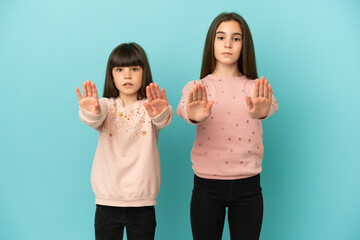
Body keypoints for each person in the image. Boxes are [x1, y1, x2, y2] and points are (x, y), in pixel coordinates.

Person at [177, 12, 278, 240]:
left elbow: (271, 104)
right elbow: (184, 108)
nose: (228, 44)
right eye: (221, 37)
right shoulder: (197, 86)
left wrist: (264, 111)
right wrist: (193, 114)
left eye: (236, 38)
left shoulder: (255, 87)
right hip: (206, 186)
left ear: (245, 45)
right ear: (211, 42)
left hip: (248, 187)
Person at [75, 42, 173, 240]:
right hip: (107, 202)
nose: (127, 75)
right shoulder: (105, 105)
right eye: (119, 69)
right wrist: (90, 110)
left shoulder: (151, 107)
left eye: (134, 69)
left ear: (144, 73)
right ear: (111, 75)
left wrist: (161, 111)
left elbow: (163, 118)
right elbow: (94, 116)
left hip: (142, 203)